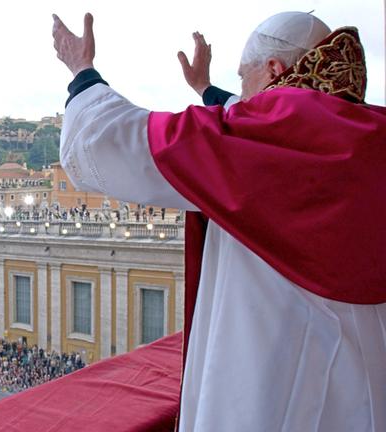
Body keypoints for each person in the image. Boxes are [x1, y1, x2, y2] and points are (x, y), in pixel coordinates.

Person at [52, 11, 386, 432]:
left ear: (275, 70)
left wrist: (81, 72)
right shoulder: (368, 133)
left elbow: (111, 141)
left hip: (278, 380)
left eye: (245, 77)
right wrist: (206, 89)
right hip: (364, 378)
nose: (242, 94)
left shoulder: (262, 138)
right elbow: (250, 119)